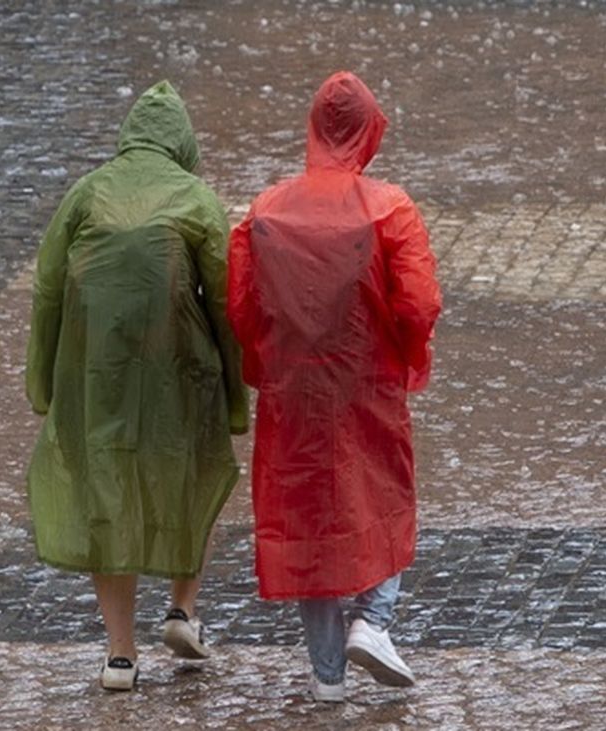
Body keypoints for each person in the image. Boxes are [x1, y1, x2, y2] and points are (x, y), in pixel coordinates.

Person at [25, 81, 248, 691]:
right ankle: (182, 608)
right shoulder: (197, 199)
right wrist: (236, 393)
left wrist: (42, 383)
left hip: (95, 375)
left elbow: (47, 288)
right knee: (193, 473)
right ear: (182, 143)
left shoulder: (87, 192)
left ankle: (120, 655)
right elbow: (230, 305)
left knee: (107, 493)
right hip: (180, 372)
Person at [227, 71, 442, 703]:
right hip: (365, 382)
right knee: (382, 494)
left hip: (294, 390)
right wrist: (405, 352)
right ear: (370, 130)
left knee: (309, 515)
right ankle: (373, 621)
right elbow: (420, 301)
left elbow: (242, 305)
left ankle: (326, 675)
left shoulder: (265, 209)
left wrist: (267, 362)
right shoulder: (389, 208)